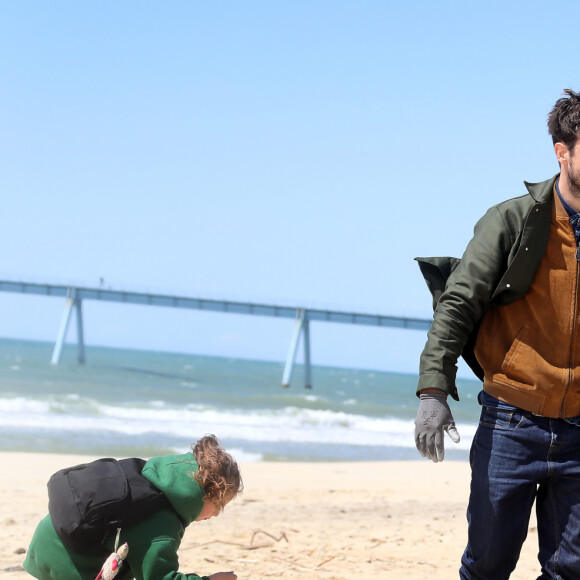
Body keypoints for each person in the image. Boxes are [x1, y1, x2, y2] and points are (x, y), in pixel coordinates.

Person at [414, 88, 580, 579]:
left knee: (571, 570)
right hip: (512, 422)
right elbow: (458, 303)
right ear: (562, 150)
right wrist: (433, 390)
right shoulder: (513, 221)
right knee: (487, 564)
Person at [23, 434, 243, 580]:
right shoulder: (162, 525)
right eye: (218, 505)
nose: (216, 514)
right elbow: (159, 577)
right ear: (205, 492)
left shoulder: (153, 477)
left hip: (50, 538)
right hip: (70, 563)